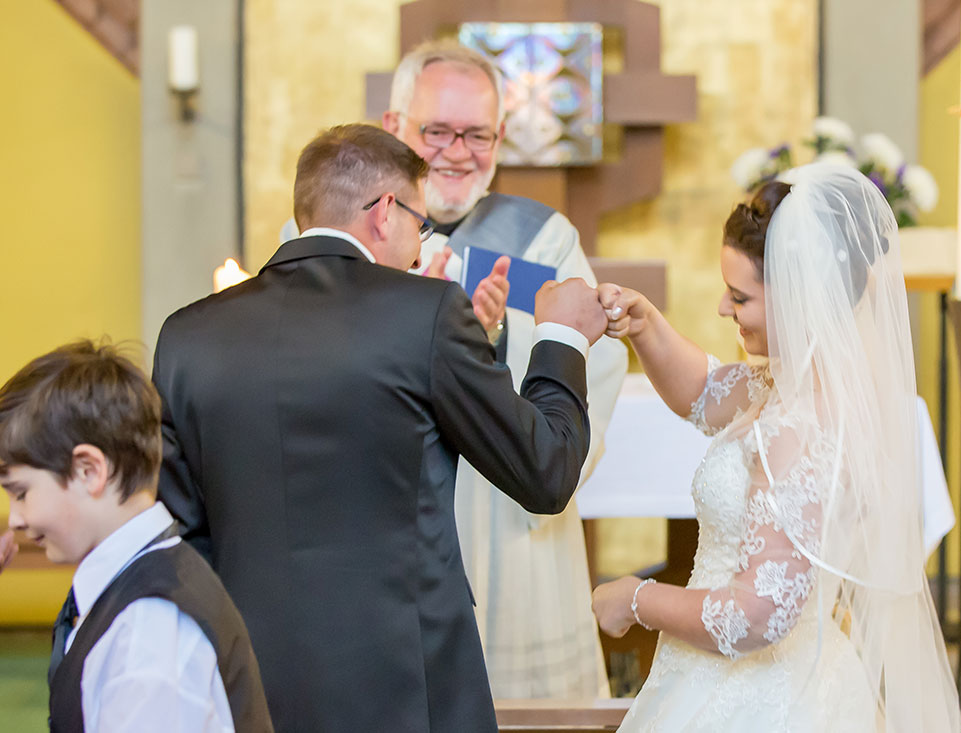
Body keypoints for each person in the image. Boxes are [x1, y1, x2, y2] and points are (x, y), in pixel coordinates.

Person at [152, 123, 607, 732]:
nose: (420, 249)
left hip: (246, 677)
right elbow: (545, 471)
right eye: (420, 226)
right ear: (386, 212)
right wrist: (562, 337)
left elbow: (180, 527)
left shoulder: (186, 335)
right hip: (407, 676)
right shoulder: (427, 313)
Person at [591, 164, 961, 731]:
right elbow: (703, 391)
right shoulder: (793, 384)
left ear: (798, 297)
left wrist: (637, 598)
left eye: (739, 296)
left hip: (758, 698)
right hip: (786, 677)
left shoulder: (798, 426)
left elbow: (756, 614)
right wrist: (647, 327)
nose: (722, 307)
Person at [382, 38, 628, 699]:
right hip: (384, 533)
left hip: (506, 530)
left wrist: (492, 337)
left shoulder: (541, 240)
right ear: (393, 127)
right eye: (437, 130)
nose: (458, 152)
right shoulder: (357, 230)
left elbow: (592, 358)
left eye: (477, 134)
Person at [0, 340, 272, 732]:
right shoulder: (145, 585)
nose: (15, 520)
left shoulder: (148, 629)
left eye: (21, 493)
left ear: (88, 471)